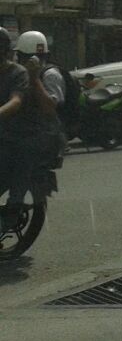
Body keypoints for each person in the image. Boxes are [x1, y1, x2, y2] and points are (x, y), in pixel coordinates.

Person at [0, 29, 63, 230]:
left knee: (21, 156)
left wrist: (34, 77)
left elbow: (16, 101)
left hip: (29, 135)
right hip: (9, 131)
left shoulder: (20, 73)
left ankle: (13, 208)